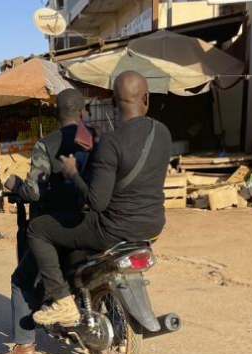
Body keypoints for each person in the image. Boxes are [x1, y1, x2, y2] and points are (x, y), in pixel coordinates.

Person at [27, 71, 172, 326]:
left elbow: (96, 202)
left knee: (38, 229)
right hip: (153, 226)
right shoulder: (162, 133)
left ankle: (63, 303)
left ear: (114, 103)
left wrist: (73, 173)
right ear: (146, 99)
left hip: (112, 229)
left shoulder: (111, 142)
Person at [0, 89, 93, 354]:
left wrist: (14, 185)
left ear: (55, 114)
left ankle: (24, 349)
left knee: (22, 280)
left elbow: (34, 192)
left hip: (53, 228)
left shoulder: (46, 144)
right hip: (92, 224)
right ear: (83, 112)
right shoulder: (96, 140)